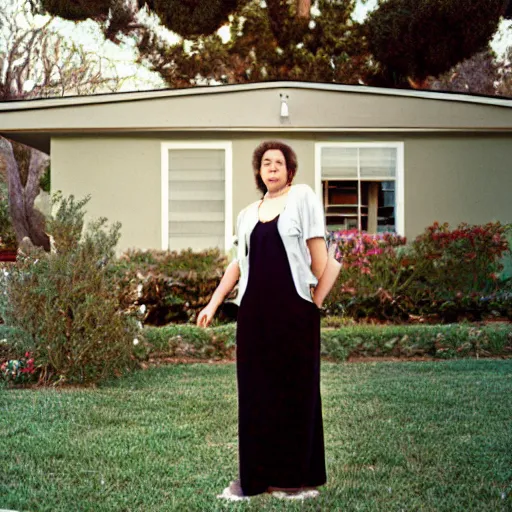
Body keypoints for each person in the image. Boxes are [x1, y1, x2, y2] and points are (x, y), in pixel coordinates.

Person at [197, 140, 341, 501]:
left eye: (278, 162)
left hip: (294, 312)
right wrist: (213, 304)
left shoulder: (303, 197)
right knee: (256, 394)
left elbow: (318, 253)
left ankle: (293, 479)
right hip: (254, 316)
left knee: (295, 392)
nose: (272, 167)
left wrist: (314, 304)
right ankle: (256, 479)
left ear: (289, 170)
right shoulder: (247, 214)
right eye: (265, 163)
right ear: (259, 172)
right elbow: (237, 264)